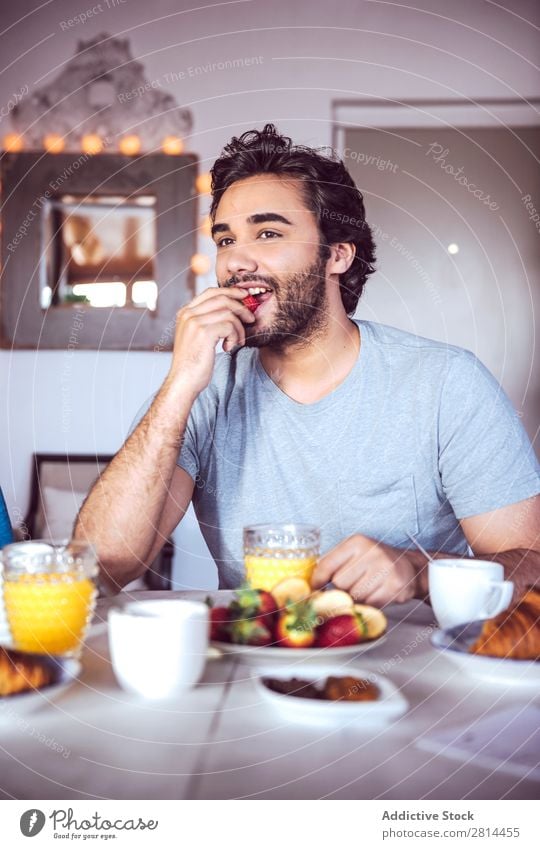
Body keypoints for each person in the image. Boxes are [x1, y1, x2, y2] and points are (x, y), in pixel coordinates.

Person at [75, 124, 540, 602]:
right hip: (252, 664)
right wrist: (178, 385)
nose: (236, 262)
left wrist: (422, 570)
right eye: (226, 240)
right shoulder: (204, 392)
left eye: (268, 232)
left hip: (416, 671)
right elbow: (100, 568)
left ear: (336, 255)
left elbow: (532, 566)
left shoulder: (446, 383)